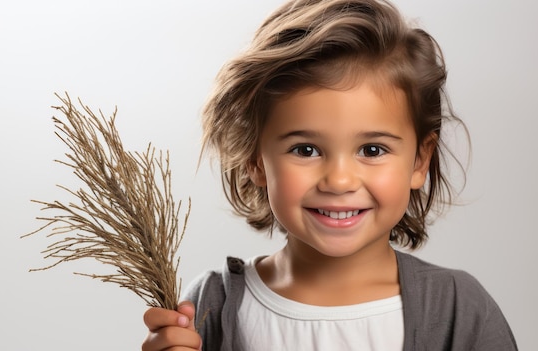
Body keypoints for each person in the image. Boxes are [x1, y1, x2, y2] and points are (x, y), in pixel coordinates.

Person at [142, 0, 518, 350]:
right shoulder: (209, 305)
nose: (339, 181)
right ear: (255, 160)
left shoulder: (458, 309)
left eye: (372, 150)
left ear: (419, 161)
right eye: (305, 150)